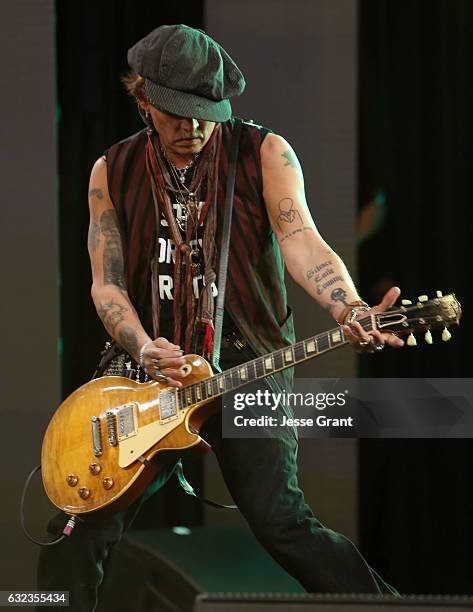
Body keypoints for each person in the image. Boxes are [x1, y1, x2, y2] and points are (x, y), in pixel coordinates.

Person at [38, 24, 404, 611]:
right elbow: (106, 283)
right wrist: (141, 346)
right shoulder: (112, 170)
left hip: (246, 365)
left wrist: (350, 306)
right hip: (149, 369)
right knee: (74, 532)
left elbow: (302, 240)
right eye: (179, 113)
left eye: (207, 113)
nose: (195, 129)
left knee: (282, 521)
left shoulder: (264, 152)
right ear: (144, 101)